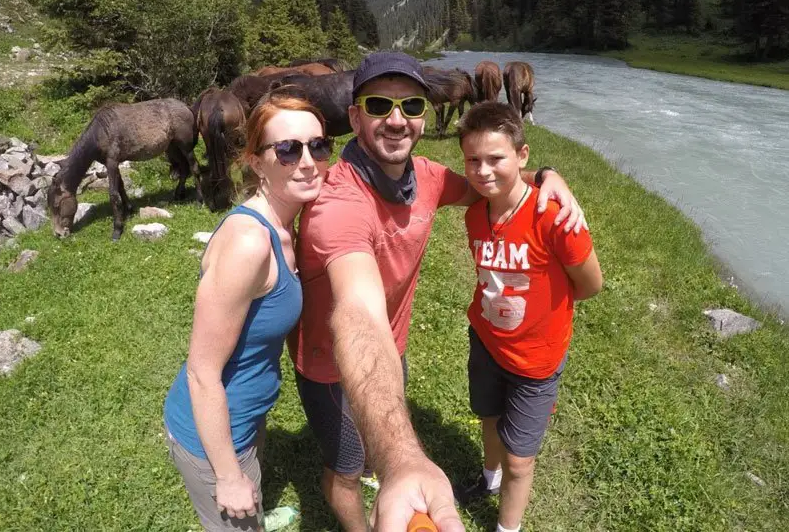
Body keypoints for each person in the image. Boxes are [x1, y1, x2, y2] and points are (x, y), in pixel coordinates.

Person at [287, 52, 588, 532]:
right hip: (331, 362)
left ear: (424, 118)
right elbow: (358, 313)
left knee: (372, 436)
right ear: (355, 116)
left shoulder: (425, 177)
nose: (396, 119)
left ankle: (375, 462)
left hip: (394, 345)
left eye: (410, 107)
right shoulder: (337, 206)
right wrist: (405, 460)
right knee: (344, 468)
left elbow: (496, 184)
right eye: (379, 104)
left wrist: (550, 177)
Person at [163, 89, 334, 532]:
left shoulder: (284, 223)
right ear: (257, 162)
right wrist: (227, 476)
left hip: (245, 417)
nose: (308, 161)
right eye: (288, 150)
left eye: (318, 145)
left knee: (250, 493)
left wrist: (540, 175)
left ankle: (253, 503)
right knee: (237, 512)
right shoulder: (249, 243)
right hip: (212, 439)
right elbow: (202, 373)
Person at [452, 102, 603, 532]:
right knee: (488, 418)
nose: (482, 171)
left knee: (521, 457)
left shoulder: (554, 216)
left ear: (522, 156)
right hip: (485, 338)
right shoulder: (474, 215)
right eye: (473, 160)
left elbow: (591, 284)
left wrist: (544, 312)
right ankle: (488, 480)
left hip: (536, 360)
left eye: (495, 158)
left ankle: (507, 527)